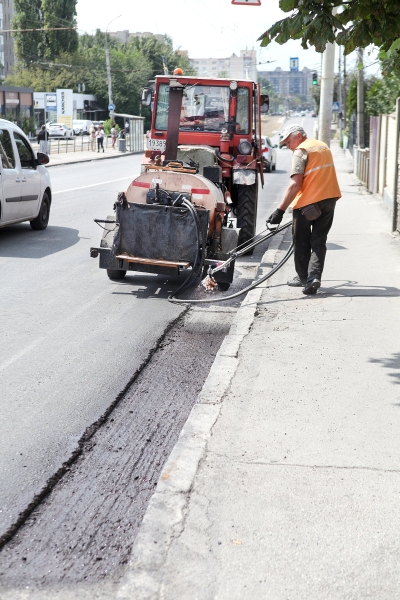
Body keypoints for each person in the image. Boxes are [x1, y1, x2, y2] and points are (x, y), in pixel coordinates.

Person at [267, 124, 341, 295]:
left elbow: (295, 185)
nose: (288, 146)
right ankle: (314, 277)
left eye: (288, 142)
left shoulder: (301, 151)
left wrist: (279, 211)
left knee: (301, 240)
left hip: (308, 203)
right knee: (319, 241)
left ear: (298, 136)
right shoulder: (323, 146)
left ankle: (302, 277)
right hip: (330, 199)